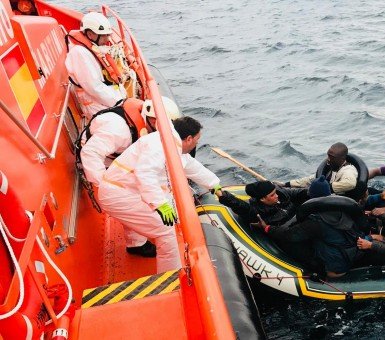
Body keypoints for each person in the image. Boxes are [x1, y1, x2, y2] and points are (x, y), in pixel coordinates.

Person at [98, 116, 222, 272]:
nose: (196, 144)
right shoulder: (160, 146)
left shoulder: (169, 141)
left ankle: (135, 245)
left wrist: (213, 184)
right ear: (189, 138)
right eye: (196, 140)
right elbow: (145, 173)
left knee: (142, 213)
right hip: (119, 194)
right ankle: (170, 276)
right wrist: (160, 204)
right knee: (166, 230)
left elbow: (189, 165)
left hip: (124, 189)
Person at [253, 177, 365, 278]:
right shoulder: (344, 206)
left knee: (293, 245)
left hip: (335, 269)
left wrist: (267, 228)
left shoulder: (316, 221)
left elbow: (289, 235)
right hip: (351, 253)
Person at [79, 96, 180, 186]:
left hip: (115, 154)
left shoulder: (140, 116)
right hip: (104, 162)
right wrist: (103, 185)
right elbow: (90, 153)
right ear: (154, 121)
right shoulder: (119, 131)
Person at [65, 12, 139, 118]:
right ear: (90, 34)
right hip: (95, 106)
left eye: (108, 35)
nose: (107, 39)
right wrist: (121, 102)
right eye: (104, 35)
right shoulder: (79, 54)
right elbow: (94, 88)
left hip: (103, 100)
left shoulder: (91, 49)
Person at [217, 179, 309, 227]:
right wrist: (222, 195)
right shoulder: (256, 211)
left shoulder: (281, 193)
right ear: (262, 199)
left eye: (275, 192)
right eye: (272, 195)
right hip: (285, 231)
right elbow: (238, 204)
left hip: (299, 220)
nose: (277, 196)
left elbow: (298, 193)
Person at [276, 143, 358, 196]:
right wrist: (286, 184)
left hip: (338, 202)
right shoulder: (331, 167)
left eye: (332, 157)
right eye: (328, 156)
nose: (328, 159)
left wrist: (324, 187)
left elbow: (350, 183)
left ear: (341, 158)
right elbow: (311, 179)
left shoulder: (348, 170)